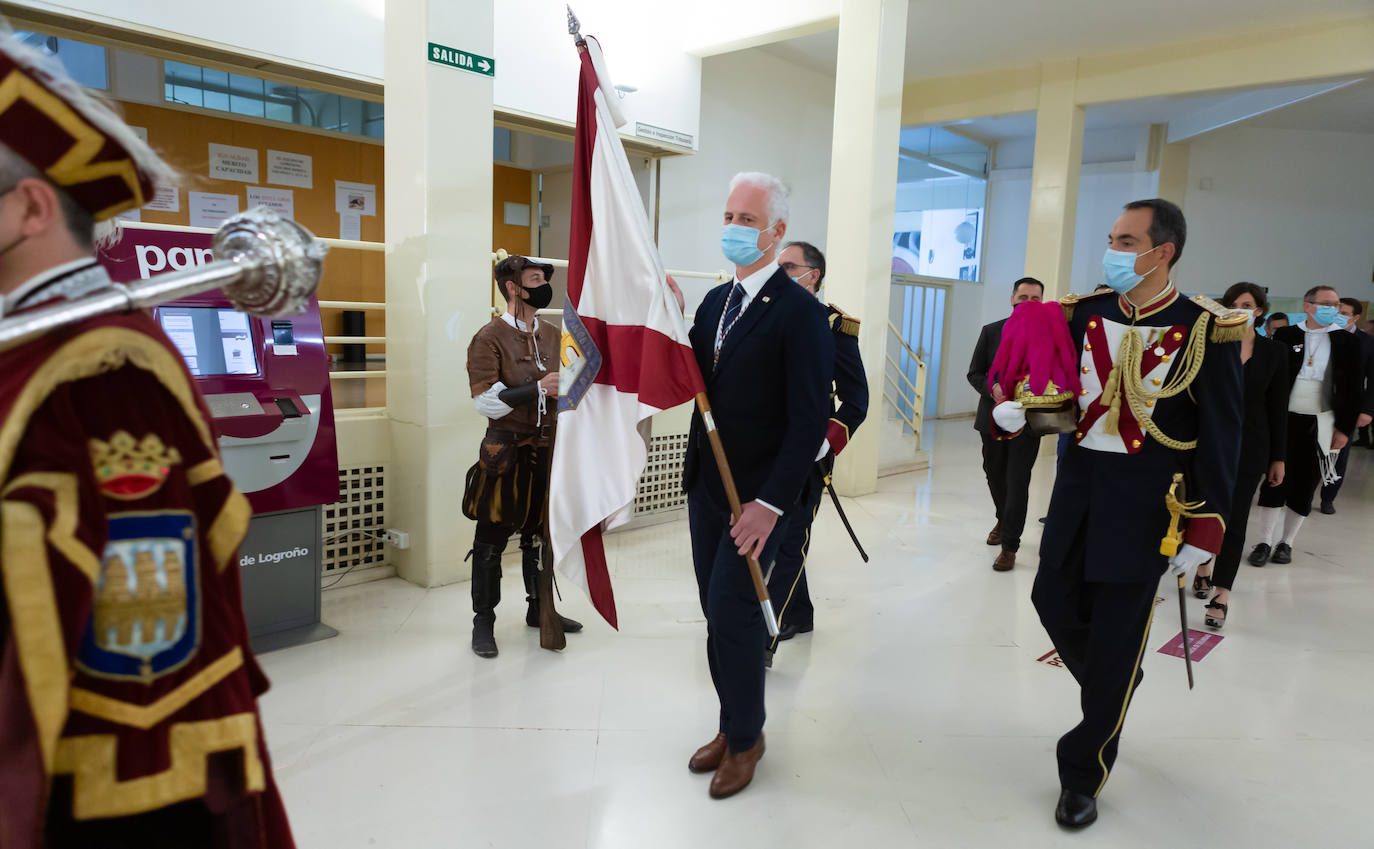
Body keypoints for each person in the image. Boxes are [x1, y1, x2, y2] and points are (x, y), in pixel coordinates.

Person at [0, 37, 294, 846]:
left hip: (110, 796)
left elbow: (139, 664)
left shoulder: (100, 370)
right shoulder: (34, 350)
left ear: (29, 208)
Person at [994, 199, 1243, 829]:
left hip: (1149, 510)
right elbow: (1065, 402)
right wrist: (1023, 414)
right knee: (1051, 600)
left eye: (1126, 241)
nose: (1113, 250)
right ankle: (1115, 684)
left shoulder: (1207, 327)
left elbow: (1222, 435)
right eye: (1111, 238)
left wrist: (1207, 525)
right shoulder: (1086, 314)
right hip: (1077, 496)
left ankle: (1084, 769)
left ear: (1164, 252)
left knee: (1117, 633)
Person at [681, 172, 833, 799]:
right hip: (707, 487)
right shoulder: (717, 302)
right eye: (729, 216)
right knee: (715, 613)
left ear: (777, 232)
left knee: (737, 614)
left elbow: (807, 422)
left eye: (748, 220)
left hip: (758, 501)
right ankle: (730, 721)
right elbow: (691, 374)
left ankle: (747, 738)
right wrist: (665, 315)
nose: (734, 229)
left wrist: (770, 506)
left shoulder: (802, 314)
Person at [463, 255, 582, 658]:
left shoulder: (552, 333)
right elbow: (486, 403)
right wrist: (537, 388)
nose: (543, 285)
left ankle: (539, 609)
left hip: (548, 448)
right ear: (514, 288)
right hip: (506, 451)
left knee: (539, 535)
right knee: (491, 540)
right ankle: (484, 622)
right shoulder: (488, 337)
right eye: (535, 279)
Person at [765, 241, 868, 655]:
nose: (780, 273)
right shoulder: (765, 316)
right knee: (775, 534)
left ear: (813, 275)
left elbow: (855, 400)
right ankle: (799, 612)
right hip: (765, 448)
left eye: (789, 267)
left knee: (790, 536)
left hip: (808, 453)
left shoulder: (833, 326)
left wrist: (825, 443)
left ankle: (764, 633)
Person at [1190, 283, 1287, 628]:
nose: (1239, 308)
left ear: (1259, 310)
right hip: (1208, 442)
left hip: (1251, 446)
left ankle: (1222, 592)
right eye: (1232, 303)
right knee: (1202, 508)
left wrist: (1279, 457)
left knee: (1235, 518)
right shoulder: (1211, 344)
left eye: (1247, 304)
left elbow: (1278, 409)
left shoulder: (1274, 352)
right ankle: (1203, 565)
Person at [1248, 286, 1362, 566]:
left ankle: (1286, 543)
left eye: (1336, 305)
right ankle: (1263, 540)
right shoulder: (1286, 335)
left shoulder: (1347, 342)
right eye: (1326, 303)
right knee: (1275, 481)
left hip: (1322, 421)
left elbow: (1352, 390)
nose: (1332, 309)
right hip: (1284, 419)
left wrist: (1344, 429)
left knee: (1306, 483)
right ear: (1308, 306)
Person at [968, 277, 1045, 570]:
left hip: (1029, 423)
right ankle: (1003, 516)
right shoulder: (992, 332)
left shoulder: (1049, 333)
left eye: (1035, 298)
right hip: (992, 418)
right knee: (994, 474)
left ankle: (1010, 545)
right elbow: (974, 373)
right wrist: (993, 389)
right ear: (1012, 299)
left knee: (1018, 481)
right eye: (1023, 297)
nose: (1028, 303)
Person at [1316, 297, 1373, 512]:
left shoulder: (1367, 342)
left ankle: (1328, 496)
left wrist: (1367, 410)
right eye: (1336, 311)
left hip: (1347, 407)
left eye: (1345, 313)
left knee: (1338, 452)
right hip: (1318, 403)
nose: (1339, 316)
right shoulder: (1324, 336)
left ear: (1356, 317)